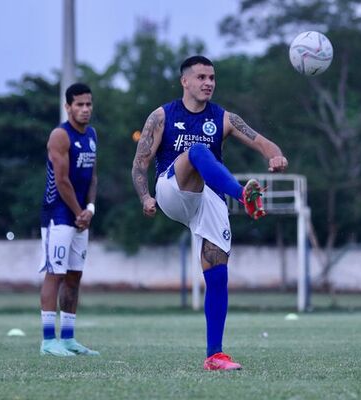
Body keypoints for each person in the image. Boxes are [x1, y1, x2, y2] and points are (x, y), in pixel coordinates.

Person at [131, 55, 288, 370]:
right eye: (201, 77)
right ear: (184, 81)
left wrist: (277, 155)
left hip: (208, 198)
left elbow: (263, 143)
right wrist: (145, 196)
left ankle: (214, 355)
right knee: (199, 150)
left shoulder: (224, 118)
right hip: (172, 190)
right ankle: (244, 196)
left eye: (212, 78)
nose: (208, 83)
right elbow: (140, 162)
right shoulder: (162, 116)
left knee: (217, 270)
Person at [38, 83, 100, 356]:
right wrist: (78, 213)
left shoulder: (92, 135)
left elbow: (92, 176)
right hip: (59, 214)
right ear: (68, 107)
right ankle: (48, 341)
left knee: (74, 276)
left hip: (80, 214)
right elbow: (62, 181)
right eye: (79, 104)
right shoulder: (60, 136)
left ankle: (69, 338)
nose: (85, 109)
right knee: (56, 274)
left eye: (88, 104)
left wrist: (90, 208)